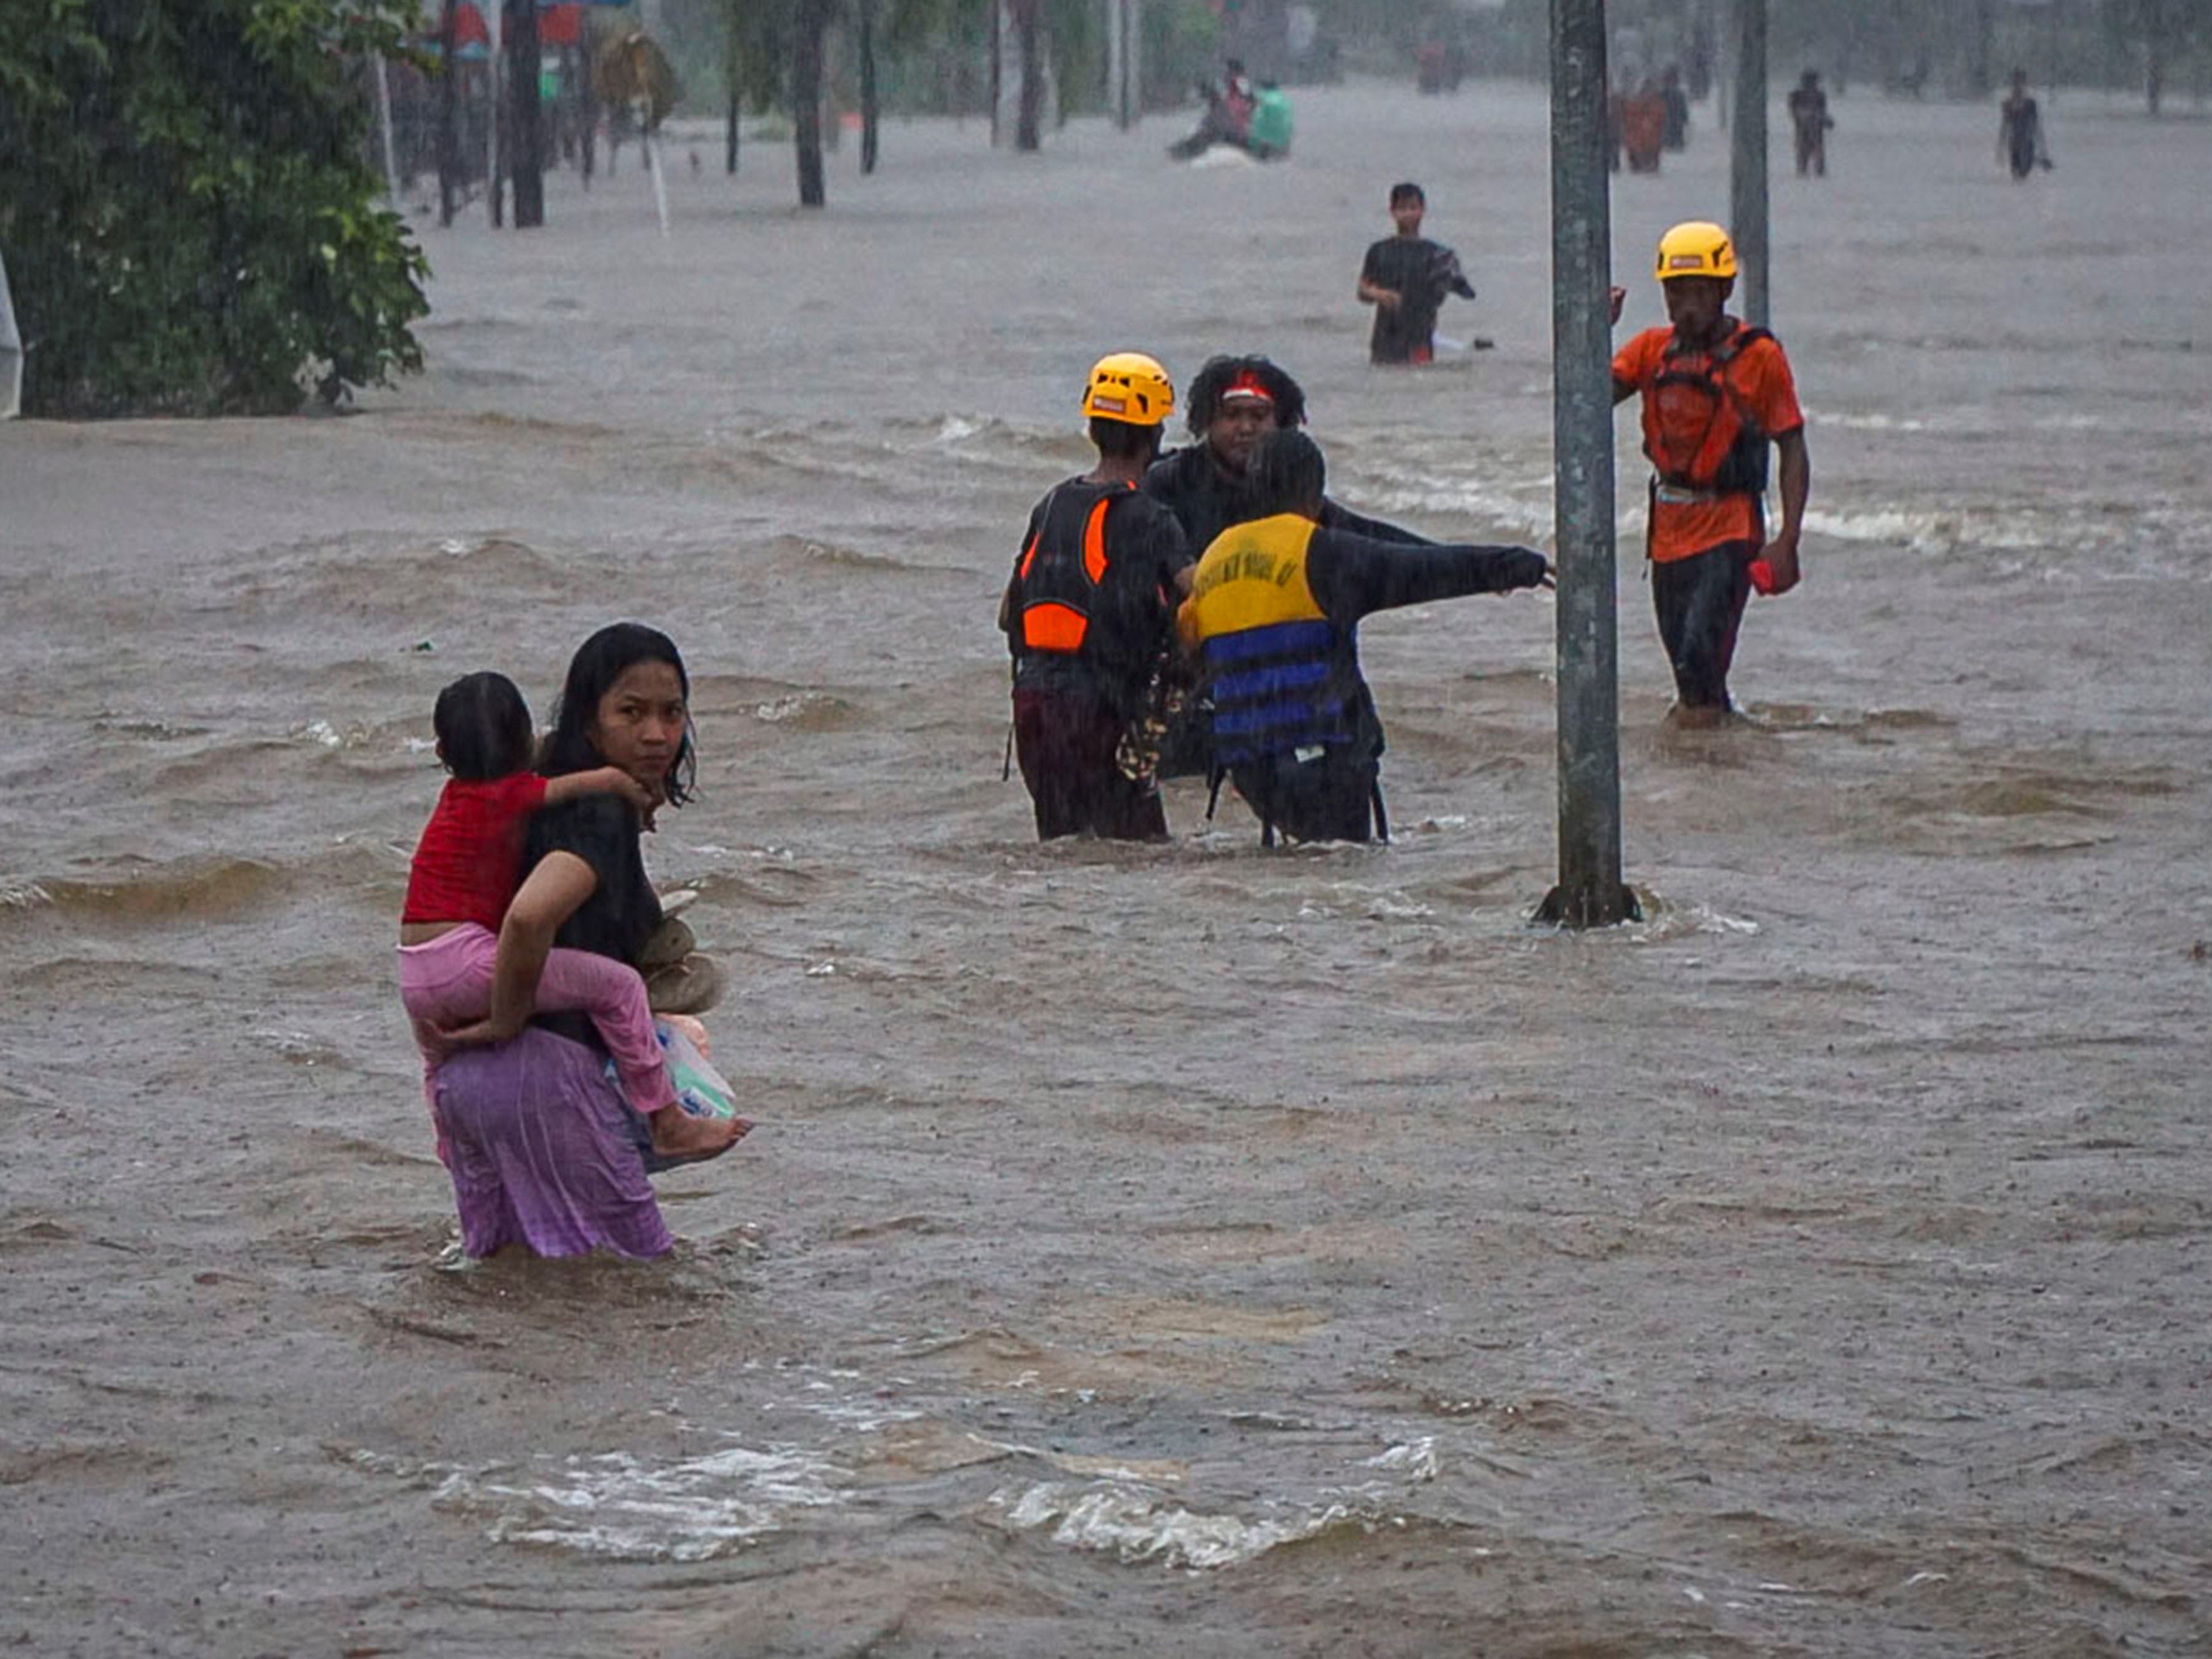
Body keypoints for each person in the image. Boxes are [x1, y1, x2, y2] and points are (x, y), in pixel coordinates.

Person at [429, 624, 752, 1259]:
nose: (658, 734)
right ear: (590, 720)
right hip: (545, 1076)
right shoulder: (598, 813)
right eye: (631, 712)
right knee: (639, 1281)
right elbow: (529, 917)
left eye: (673, 712)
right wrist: (510, 1012)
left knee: (503, 1281)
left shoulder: (536, 789)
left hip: (465, 1085)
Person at [396, 671, 735, 1159]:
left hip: (415, 968)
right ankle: (666, 1118)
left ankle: (453, 1146)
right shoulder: (511, 794)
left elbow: (539, 761)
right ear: (519, 741)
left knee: (438, 1058)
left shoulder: (454, 799)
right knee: (618, 987)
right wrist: (626, 785)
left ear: (441, 755)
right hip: (467, 963)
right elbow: (584, 783)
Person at [1177, 430, 1549, 845]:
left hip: (1251, 769)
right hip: (1325, 760)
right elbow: (1423, 571)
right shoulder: (1321, 554)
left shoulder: (1213, 560)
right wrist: (1515, 566)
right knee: (1341, 872)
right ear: (1314, 494)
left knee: (1289, 878)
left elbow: (1188, 647)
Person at [1608, 222, 1809, 726]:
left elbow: (1791, 445)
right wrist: (1594, 329)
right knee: (1688, 674)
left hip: (1731, 529)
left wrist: (1786, 538)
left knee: (1700, 656)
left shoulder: (1760, 357)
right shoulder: (1649, 350)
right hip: (1668, 531)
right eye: (1675, 293)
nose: (1686, 306)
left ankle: (1704, 763)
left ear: (1724, 289)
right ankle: (1714, 761)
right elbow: (1584, 397)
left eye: (1698, 291)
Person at [999, 353, 1193, 840]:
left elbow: (1008, 615)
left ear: (1092, 429)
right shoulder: (1151, 518)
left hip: (1034, 706)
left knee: (1064, 847)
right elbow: (1201, 599)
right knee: (1139, 850)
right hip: (1102, 709)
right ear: (1155, 436)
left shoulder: (1052, 503)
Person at [1356, 182, 1478, 367]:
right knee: (1384, 384)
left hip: (1420, 337)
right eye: (1402, 209)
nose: (1408, 214)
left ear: (1422, 210)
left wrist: (1449, 281)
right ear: (1392, 212)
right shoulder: (1379, 251)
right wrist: (1379, 295)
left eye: (1413, 208)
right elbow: (1362, 293)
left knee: (1419, 380)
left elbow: (1465, 292)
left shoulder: (1436, 254)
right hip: (1384, 338)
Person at [1999, 69, 2050, 180]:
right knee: (2017, 174)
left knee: (2023, 173)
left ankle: (2038, 161)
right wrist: (2001, 148)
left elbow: (2037, 128)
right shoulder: (2008, 104)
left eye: (2020, 83)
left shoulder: (2030, 104)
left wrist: (2043, 151)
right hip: (2015, 143)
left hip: (2027, 143)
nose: (2017, 86)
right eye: (2015, 83)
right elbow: (2004, 126)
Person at [1787, 70, 1833, 177]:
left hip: (1815, 131)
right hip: (1804, 130)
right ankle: (1805, 172)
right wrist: (1810, 115)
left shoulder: (1820, 95)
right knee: (1803, 156)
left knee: (1817, 157)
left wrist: (1823, 119)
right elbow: (1794, 112)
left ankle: (1816, 172)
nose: (1812, 85)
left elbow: (1822, 111)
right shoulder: (1796, 95)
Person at [1246, 80, 1294, 161]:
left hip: (1264, 142)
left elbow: (1257, 118)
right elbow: (1289, 121)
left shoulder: (1261, 98)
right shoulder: (1284, 99)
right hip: (1284, 139)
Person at [1661, 65, 1691, 151]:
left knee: (1672, 127)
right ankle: (1675, 143)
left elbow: (1682, 106)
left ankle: (1672, 143)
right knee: (1675, 128)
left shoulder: (1666, 93)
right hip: (1674, 117)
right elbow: (1683, 107)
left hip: (1671, 117)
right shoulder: (1678, 94)